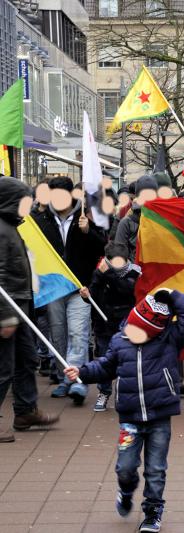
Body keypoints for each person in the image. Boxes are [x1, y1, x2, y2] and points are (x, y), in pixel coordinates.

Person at [65, 289, 184, 533]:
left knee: (156, 469)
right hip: (129, 420)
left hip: (160, 417)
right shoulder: (119, 341)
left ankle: (152, 512)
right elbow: (105, 367)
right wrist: (82, 372)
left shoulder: (169, 339)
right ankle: (126, 490)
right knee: (125, 467)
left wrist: (172, 295)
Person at [32, 176, 106, 406]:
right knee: (58, 334)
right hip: (53, 287)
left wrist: (87, 232)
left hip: (79, 287)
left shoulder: (84, 218)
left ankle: (78, 381)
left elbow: (102, 246)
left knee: (79, 332)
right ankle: (65, 375)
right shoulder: (42, 219)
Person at [0, 177, 60, 442]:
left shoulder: (10, 227)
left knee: (27, 359)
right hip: (9, 307)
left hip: (20, 303)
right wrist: (5, 316)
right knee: (4, 367)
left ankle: (25, 411)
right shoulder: (2, 230)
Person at [79, 242, 141, 412]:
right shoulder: (101, 271)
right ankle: (104, 392)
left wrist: (108, 276)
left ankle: (127, 395)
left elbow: (127, 290)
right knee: (104, 359)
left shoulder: (135, 272)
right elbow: (93, 295)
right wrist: (87, 295)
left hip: (126, 324)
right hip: (104, 324)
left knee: (128, 359)